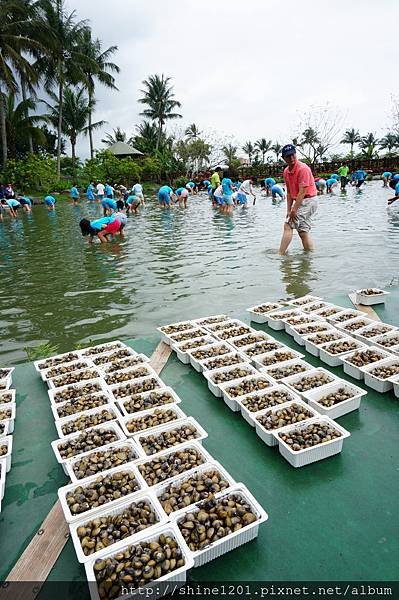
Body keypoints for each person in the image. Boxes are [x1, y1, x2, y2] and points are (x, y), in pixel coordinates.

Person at [278, 144, 318, 255]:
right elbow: (290, 192)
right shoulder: (286, 172)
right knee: (303, 232)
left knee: (288, 225)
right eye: (288, 156)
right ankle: (309, 256)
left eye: (292, 155)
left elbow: (302, 192)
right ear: (283, 158)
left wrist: (294, 210)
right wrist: (288, 210)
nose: (291, 158)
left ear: (296, 154)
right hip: (301, 201)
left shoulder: (303, 169)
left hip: (309, 200)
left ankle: (280, 255)